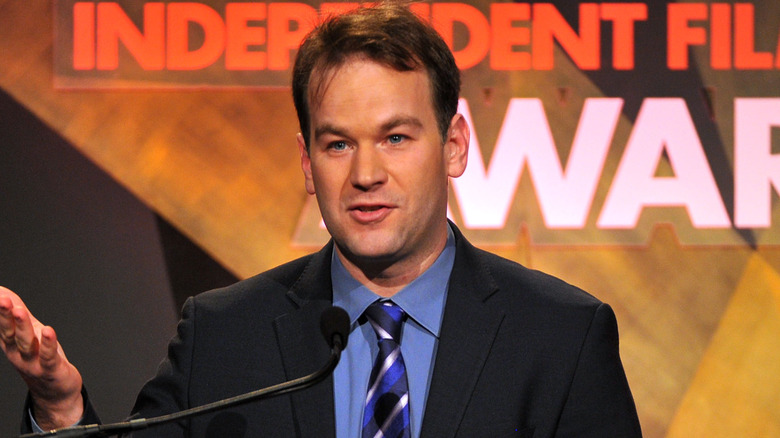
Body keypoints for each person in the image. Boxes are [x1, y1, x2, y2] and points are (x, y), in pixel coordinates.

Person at [1, 2, 642, 437]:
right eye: (338, 144)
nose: (365, 173)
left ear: (454, 146)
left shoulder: (562, 337)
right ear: (308, 165)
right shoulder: (224, 336)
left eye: (395, 137)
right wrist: (60, 408)